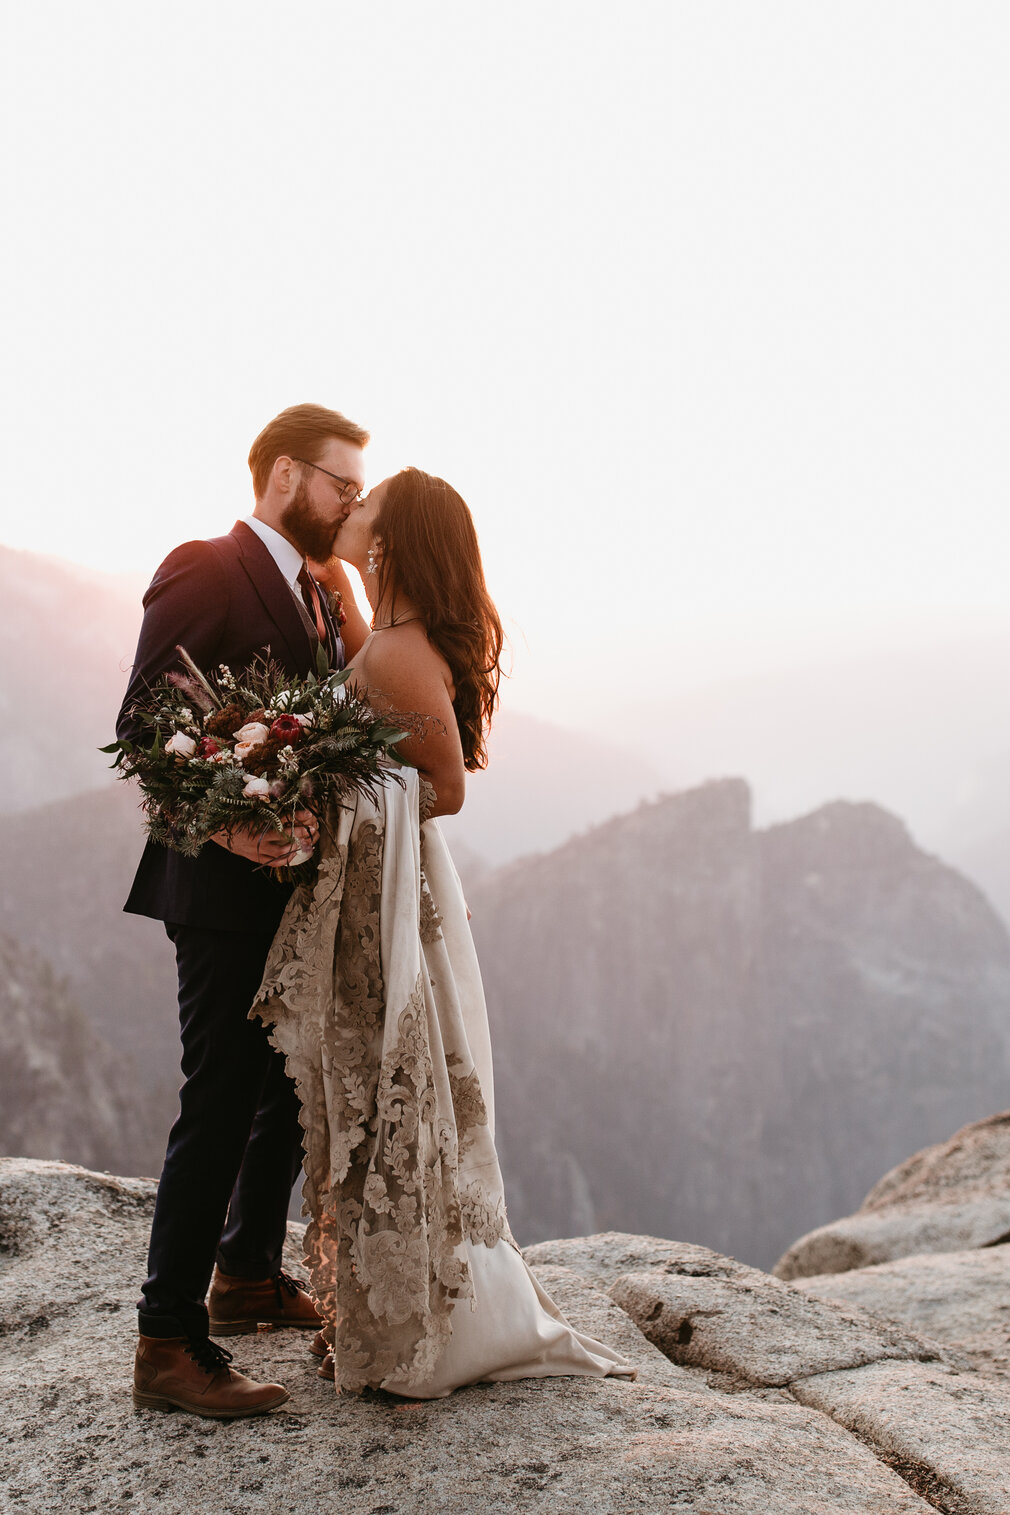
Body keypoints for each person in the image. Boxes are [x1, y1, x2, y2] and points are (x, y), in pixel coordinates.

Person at [255, 468, 633, 1397]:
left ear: (390, 540)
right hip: (376, 890)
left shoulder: (403, 651)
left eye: (367, 505)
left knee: (398, 1086)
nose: (354, 511)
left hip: (393, 899)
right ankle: (389, 1314)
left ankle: (421, 1322)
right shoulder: (379, 633)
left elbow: (448, 787)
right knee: (376, 1094)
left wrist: (329, 788)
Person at [119, 404, 370, 1419]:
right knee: (219, 1094)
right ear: (281, 478)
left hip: (292, 880)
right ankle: (166, 1340)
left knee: (277, 1083)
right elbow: (141, 721)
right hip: (216, 885)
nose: (352, 501)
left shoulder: (322, 589)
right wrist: (227, 830)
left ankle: (248, 1275)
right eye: (340, 484)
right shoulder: (202, 566)